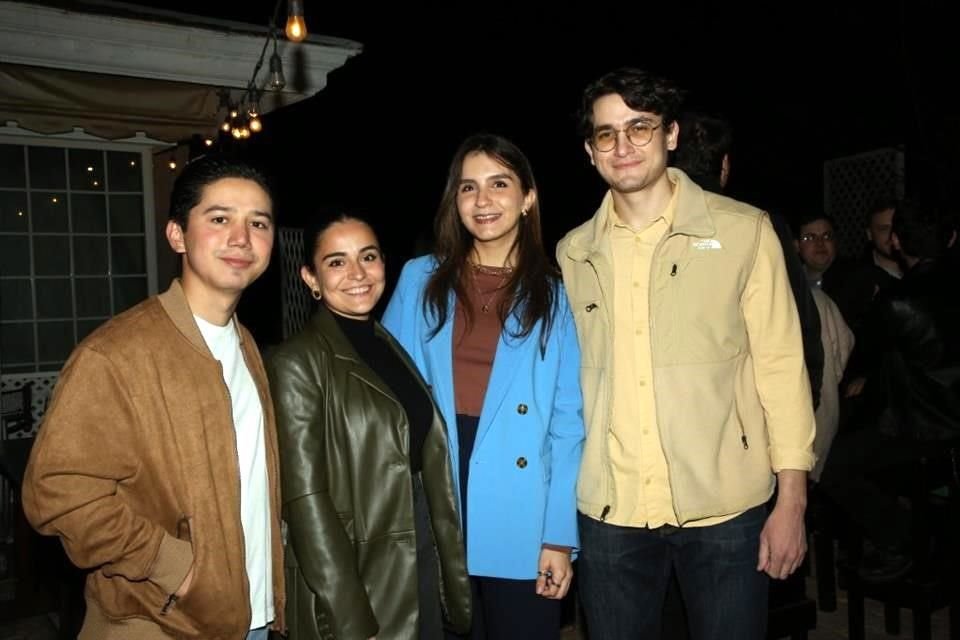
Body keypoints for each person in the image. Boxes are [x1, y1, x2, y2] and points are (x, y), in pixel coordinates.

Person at [557, 67, 816, 639]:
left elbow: (781, 368)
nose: (622, 145)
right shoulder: (573, 252)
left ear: (671, 134)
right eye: (606, 133)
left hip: (726, 509)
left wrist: (792, 502)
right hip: (611, 513)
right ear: (589, 150)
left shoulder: (745, 231)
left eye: (639, 127)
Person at [21, 155, 285, 639]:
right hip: (159, 621)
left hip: (250, 616)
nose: (242, 238)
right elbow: (57, 490)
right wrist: (174, 567)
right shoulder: (117, 353)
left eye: (258, 223)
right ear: (177, 235)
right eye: (220, 218)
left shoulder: (246, 345)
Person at [383, 133, 584, 640]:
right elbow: (387, 398)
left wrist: (559, 536)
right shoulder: (418, 279)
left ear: (527, 197)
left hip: (520, 504)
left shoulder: (556, 296)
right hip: (438, 487)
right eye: (468, 187)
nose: (483, 200)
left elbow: (567, 422)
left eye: (499, 184)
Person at [266, 214, 471, 640]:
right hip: (358, 574)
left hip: (418, 553)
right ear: (311, 277)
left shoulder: (385, 344)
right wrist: (350, 615)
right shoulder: (297, 361)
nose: (358, 274)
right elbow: (305, 503)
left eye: (368, 256)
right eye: (337, 262)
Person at [672, 109, 823, 408]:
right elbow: (797, 317)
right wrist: (809, 395)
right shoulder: (759, 225)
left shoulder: (647, 228)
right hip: (750, 404)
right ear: (725, 166)